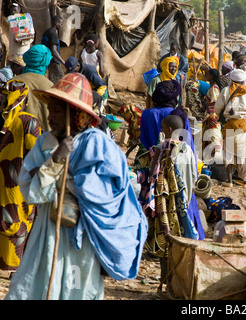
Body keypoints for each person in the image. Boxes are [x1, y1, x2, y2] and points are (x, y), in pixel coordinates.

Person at [5, 73, 148, 300]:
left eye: (57, 111)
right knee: (34, 287)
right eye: (50, 109)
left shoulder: (97, 144)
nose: (50, 116)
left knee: (77, 291)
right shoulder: (45, 143)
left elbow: (104, 193)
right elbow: (30, 190)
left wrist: (57, 180)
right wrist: (55, 161)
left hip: (81, 243)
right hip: (46, 236)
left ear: (76, 113)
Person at [140, 114, 201, 261]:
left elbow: (153, 173)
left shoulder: (163, 148)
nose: (160, 130)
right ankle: (177, 250)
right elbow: (194, 175)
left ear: (168, 129)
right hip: (184, 193)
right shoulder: (188, 150)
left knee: (163, 222)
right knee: (180, 221)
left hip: (166, 196)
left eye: (162, 128)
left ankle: (161, 250)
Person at [0, 80, 41, 272]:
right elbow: (36, 156)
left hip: (2, 180)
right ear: (24, 99)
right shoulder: (29, 122)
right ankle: (12, 267)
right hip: (18, 184)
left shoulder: (3, 120)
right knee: (18, 221)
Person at [214, 69, 246, 190]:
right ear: (243, 80)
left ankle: (229, 181)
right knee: (245, 154)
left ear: (231, 79)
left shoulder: (225, 91)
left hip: (230, 125)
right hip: (245, 126)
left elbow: (217, 109)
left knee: (228, 153)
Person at [13, 44, 53, 132]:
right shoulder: (52, 87)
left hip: (16, 142)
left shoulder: (13, 83)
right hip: (45, 142)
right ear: (46, 61)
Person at [41, 15, 65, 84]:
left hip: (47, 60)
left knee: (52, 81)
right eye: (61, 24)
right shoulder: (53, 34)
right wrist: (63, 62)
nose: (61, 26)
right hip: (54, 61)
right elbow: (54, 51)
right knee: (60, 82)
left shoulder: (46, 32)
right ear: (56, 23)